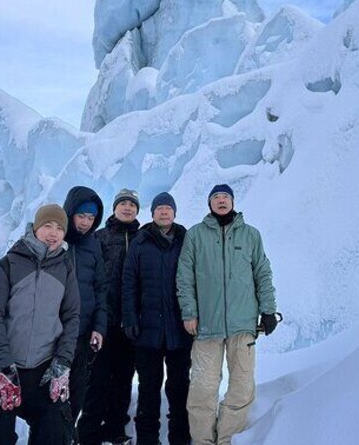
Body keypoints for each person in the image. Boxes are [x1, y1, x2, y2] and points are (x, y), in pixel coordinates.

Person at [0, 203, 80, 445]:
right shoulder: (7, 265)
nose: (53, 233)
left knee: (56, 432)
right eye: (48, 226)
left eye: (60, 228)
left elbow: (71, 317)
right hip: (0, 364)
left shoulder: (65, 268)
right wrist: (3, 365)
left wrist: (63, 361)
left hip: (44, 365)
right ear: (35, 228)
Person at [177, 184, 278, 445]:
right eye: (216, 198)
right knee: (202, 388)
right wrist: (189, 312)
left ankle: (227, 440)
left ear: (232, 201)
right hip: (206, 325)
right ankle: (202, 441)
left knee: (242, 386)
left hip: (242, 324)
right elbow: (184, 277)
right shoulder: (195, 235)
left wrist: (268, 309)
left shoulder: (251, 235)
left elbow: (262, 273)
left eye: (225, 197)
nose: (221, 201)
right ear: (209, 204)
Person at [122, 192, 192, 445]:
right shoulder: (141, 242)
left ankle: (180, 438)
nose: (164, 212)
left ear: (174, 213)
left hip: (179, 331)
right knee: (149, 389)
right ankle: (147, 440)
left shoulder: (186, 240)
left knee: (179, 387)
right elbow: (129, 283)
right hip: (147, 332)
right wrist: (130, 318)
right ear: (152, 214)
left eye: (168, 208)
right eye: (159, 208)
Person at [77, 188, 141, 445]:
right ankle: (88, 432)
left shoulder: (142, 238)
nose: (127, 207)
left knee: (124, 379)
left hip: (130, 324)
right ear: (115, 208)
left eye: (132, 204)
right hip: (103, 322)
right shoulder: (99, 238)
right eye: (123, 203)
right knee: (98, 380)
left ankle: (116, 429)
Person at [61, 187, 108, 433]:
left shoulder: (93, 245)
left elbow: (101, 289)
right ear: (70, 213)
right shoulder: (56, 239)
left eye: (91, 218)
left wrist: (99, 327)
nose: (86, 223)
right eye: (82, 216)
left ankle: (67, 436)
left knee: (77, 393)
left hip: (82, 335)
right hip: (55, 334)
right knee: (53, 396)